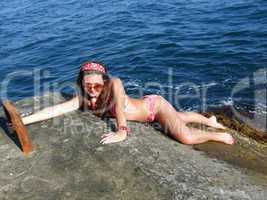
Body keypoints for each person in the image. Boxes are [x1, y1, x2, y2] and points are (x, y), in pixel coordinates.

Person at [21, 62, 235, 145]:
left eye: (97, 86)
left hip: (154, 107)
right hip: (149, 116)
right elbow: (57, 109)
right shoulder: (83, 98)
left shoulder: (115, 83)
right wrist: (24, 120)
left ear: (104, 82)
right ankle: (211, 119)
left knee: (186, 137)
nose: (93, 90)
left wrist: (122, 130)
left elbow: (120, 106)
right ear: (81, 84)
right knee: (181, 117)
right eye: (88, 86)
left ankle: (217, 133)